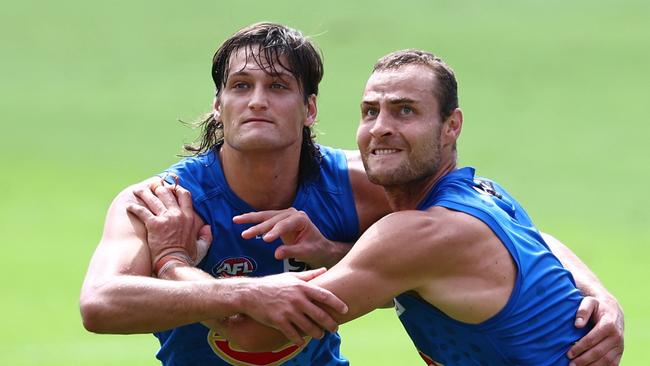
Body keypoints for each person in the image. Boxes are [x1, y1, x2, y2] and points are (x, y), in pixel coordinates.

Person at [81, 22, 622, 365]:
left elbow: (254, 336)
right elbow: (100, 303)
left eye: (278, 87)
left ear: (310, 108)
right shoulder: (162, 203)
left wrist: (176, 261)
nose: (257, 101)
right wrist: (601, 298)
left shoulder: (373, 193)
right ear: (218, 105)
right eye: (241, 87)